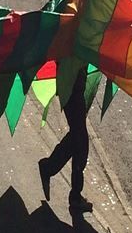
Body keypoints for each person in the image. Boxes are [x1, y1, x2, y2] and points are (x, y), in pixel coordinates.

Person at [38, 64, 92, 215]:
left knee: (78, 136)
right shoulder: (69, 40)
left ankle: (49, 168)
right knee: (80, 138)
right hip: (70, 83)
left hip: (72, 82)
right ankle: (74, 196)